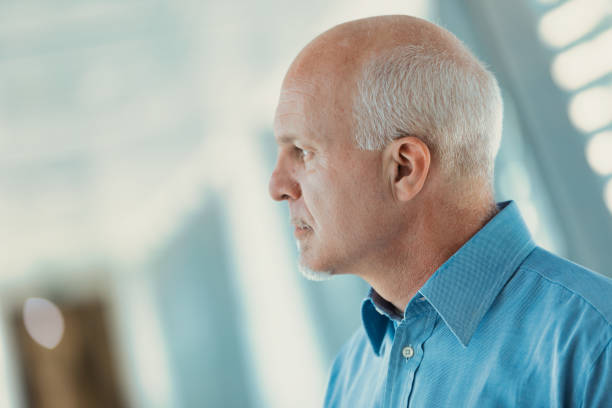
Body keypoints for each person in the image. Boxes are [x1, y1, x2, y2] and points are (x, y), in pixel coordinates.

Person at [268, 15, 612, 407]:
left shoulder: (595, 347)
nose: (277, 187)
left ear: (403, 169)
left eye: (303, 152)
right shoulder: (350, 374)